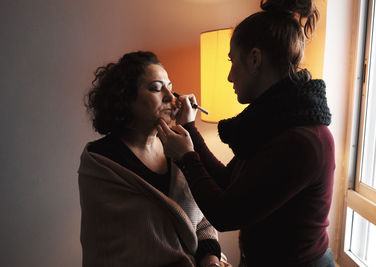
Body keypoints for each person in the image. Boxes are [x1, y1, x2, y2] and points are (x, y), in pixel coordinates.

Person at [156, 0, 336, 266]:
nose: (229, 76)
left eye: (232, 61)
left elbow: (226, 214)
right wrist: (191, 131)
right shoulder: (276, 124)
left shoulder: (302, 140)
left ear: (254, 59)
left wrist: (186, 157)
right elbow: (228, 182)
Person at [78, 51, 231, 267]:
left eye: (170, 86)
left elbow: (202, 219)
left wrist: (210, 260)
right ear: (126, 99)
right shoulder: (101, 163)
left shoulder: (176, 147)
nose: (171, 96)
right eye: (157, 88)